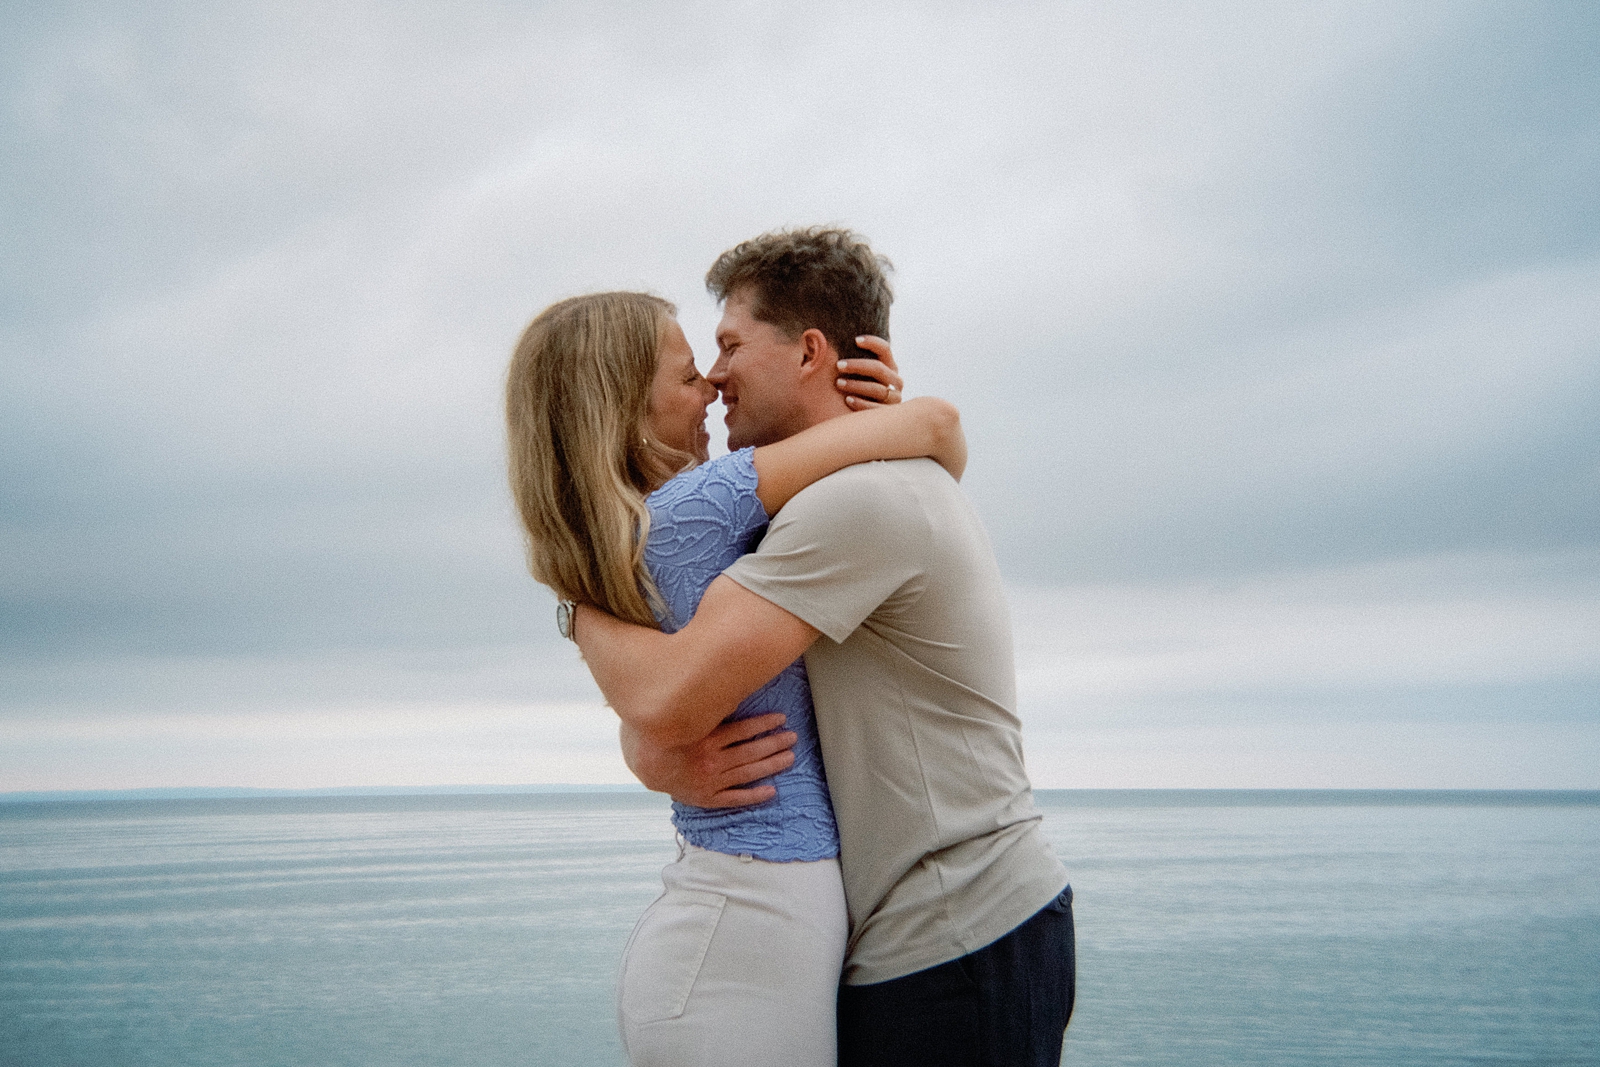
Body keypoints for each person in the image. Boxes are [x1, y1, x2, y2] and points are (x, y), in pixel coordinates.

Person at [573, 228, 1076, 1067]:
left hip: (953, 930)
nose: (717, 373)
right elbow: (699, 689)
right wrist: (653, 754)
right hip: (932, 929)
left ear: (809, 350)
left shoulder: (853, 504)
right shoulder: (836, 491)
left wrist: (580, 614)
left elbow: (674, 693)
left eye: (730, 345)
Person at [504, 288, 968, 1067]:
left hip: (737, 922)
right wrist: (869, 412)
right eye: (689, 376)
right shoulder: (706, 504)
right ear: (624, 406)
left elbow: (658, 699)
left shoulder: (633, 537)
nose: (714, 387)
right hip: (743, 927)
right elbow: (941, 430)